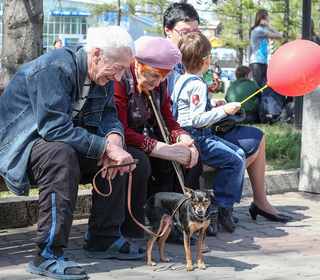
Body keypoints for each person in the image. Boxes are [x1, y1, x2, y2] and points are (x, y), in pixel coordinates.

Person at [0, 26, 146, 280]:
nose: (120, 77)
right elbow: (53, 128)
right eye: (118, 67)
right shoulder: (56, 68)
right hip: (14, 145)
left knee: (131, 157)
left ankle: (104, 237)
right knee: (61, 157)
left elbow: (109, 113)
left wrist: (114, 139)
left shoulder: (103, 74)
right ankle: (47, 254)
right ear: (97, 54)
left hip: (54, 142)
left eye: (124, 68)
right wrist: (104, 147)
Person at [172, 32, 292, 236]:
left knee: (237, 154)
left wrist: (212, 103)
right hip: (197, 137)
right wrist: (223, 111)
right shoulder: (197, 84)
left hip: (193, 134)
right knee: (236, 160)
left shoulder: (183, 80)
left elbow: (191, 111)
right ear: (206, 59)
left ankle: (222, 206)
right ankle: (218, 206)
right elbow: (197, 119)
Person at [113, 36, 205, 244]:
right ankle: (132, 229)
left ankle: (173, 219)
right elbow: (121, 129)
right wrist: (161, 148)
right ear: (138, 64)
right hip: (122, 139)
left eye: (163, 78)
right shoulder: (121, 80)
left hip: (146, 136)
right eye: (153, 75)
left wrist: (183, 139)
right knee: (142, 161)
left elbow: (167, 119)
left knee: (191, 152)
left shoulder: (159, 86)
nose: (157, 83)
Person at [164, 2, 201, 98]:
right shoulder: (161, 61)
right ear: (168, 31)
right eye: (185, 32)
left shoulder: (193, 58)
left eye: (195, 32)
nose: (192, 37)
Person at [249, 9, 282, 88]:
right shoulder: (260, 30)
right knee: (260, 87)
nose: (269, 19)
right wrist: (268, 25)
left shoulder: (256, 30)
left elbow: (250, 47)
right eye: (268, 17)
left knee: (262, 86)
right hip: (258, 62)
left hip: (258, 62)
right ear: (265, 18)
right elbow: (279, 36)